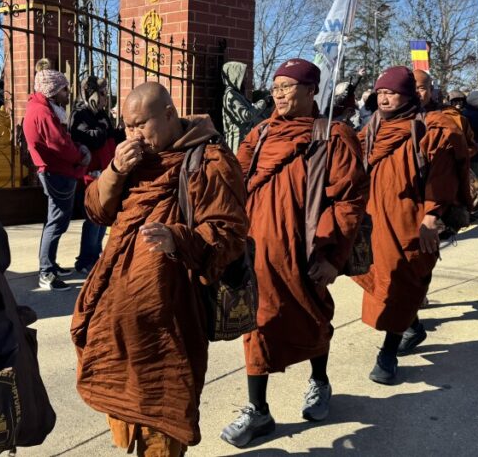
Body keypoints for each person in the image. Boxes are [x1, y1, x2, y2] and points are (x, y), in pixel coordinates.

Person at [72, 82, 248, 457]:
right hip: (119, 309)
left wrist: (178, 239)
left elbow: (230, 234)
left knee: (164, 407)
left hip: (173, 311)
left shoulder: (209, 161)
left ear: (169, 114)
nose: (133, 134)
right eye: (127, 126)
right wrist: (115, 170)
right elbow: (97, 211)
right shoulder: (135, 159)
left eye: (141, 124)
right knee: (125, 398)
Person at [220, 59, 369, 448]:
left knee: (312, 317)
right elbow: (234, 182)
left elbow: (349, 200)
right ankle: (258, 410)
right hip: (256, 252)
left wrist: (333, 258)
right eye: (275, 87)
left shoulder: (333, 135)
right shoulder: (261, 134)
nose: (279, 94)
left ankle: (319, 380)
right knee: (256, 326)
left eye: (287, 86)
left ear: (311, 90)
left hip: (306, 252)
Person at [353, 66, 468, 384]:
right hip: (373, 219)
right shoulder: (372, 127)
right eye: (380, 93)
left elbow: (442, 177)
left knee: (402, 282)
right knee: (376, 277)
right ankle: (413, 326)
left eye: (391, 93)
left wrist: (432, 217)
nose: (384, 99)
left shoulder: (432, 128)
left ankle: (387, 353)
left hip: (411, 222)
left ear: (407, 95)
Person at [23, 68, 90, 290]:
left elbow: (61, 140)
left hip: (57, 171)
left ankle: (50, 264)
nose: (67, 93)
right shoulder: (43, 112)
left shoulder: (44, 108)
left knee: (55, 220)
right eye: (64, 89)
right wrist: (80, 156)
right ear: (52, 90)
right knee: (57, 222)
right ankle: (46, 272)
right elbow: (59, 144)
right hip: (56, 172)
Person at [70, 76, 122, 275]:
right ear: (90, 93)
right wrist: (102, 128)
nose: (105, 98)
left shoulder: (100, 114)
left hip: (105, 173)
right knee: (93, 218)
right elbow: (89, 138)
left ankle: (96, 255)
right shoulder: (80, 114)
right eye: (101, 93)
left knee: (103, 217)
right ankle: (85, 260)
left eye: (106, 93)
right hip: (89, 175)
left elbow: (111, 136)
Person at [222, 61, 269, 151]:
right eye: (243, 75)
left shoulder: (237, 94)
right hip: (236, 143)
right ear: (235, 75)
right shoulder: (231, 95)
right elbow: (246, 115)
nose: (245, 79)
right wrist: (263, 102)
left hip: (243, 140)